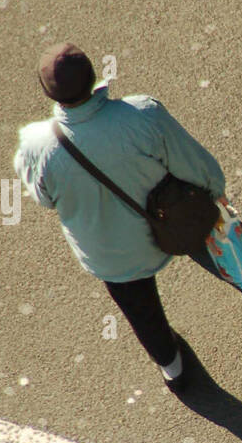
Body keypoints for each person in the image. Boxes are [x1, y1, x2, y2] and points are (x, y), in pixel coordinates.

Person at [13, 43, 225, 396]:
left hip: (111, 254)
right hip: (175, 220)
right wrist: (217, 193)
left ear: (49, 92)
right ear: (93, 75)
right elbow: (196, 166)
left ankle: (174, 370)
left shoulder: (35, 144)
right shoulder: (142, 113)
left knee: (143, 313)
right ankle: (239, 274)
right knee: (209, 242)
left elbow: (44, 199)